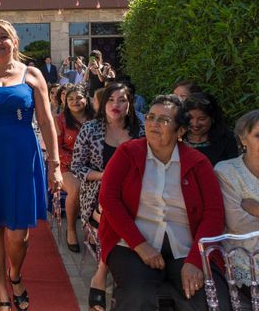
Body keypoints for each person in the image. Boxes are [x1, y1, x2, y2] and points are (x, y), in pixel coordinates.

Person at [0, 19, 63, 311]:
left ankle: (15, 274)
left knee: (19, 234)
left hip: (21, 157)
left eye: (3, 36)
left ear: (14, 41)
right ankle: (2, 290)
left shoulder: (32, 74)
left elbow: (45, 120)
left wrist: (54, 164)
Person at [99, 94, 230, 311]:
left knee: (210, 299)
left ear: (180, 131)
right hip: (132, 245)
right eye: (151, 117)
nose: (153, 124)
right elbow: (109, 200)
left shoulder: (198, 163)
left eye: (164, 120)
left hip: (186, 246)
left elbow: (214, 213)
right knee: (137, 297)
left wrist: (196, 260)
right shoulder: (127, 153)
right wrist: (139, 245)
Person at [70, 82, 145, 311]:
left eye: (122, 100)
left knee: (121, 212)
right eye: (111, 100)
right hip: (97, 194)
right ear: (103, 104)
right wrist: (107, 176)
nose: (116, 105)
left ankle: (101, 275)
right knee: (110, 210)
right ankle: (104, 273)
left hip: (135, 194)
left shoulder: (140, 129)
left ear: (130, 104)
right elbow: (78, 167)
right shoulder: (91, 129)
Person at [214, 109, 259, 302]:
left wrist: (254, 208)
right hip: (245, 259)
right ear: (243, 139)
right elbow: (239, 225)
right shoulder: (226, 171)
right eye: (258, 135)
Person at [56, 84, 94, 253]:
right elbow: (56, 147)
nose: (75, 101)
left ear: (86, 99)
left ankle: (95, 230)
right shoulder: (60, 120)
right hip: (67, 166)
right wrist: (76, 163)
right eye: (70, 99)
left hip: (93, 165)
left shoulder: (97, 118)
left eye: (79, 97)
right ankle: (71, 229)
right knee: (77, 188)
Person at [183, 92, 239, 166]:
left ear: (213, 118)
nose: (195, 124)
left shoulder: (227, 139)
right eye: (190, 118)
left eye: (202, 119)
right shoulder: (177, 138)